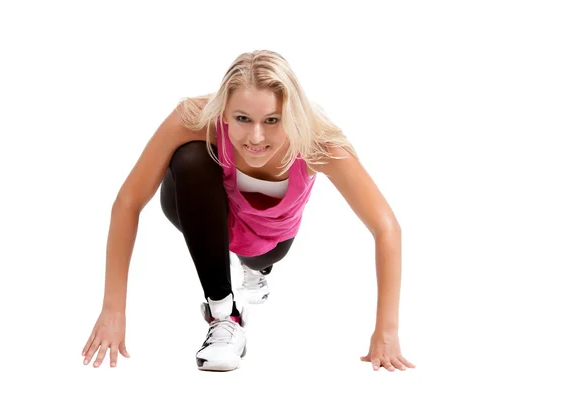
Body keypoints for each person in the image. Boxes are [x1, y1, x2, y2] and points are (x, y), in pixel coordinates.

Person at [81, 49, 416, 372]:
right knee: (191, 157)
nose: (257, 136)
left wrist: (386, 331)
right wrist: (113, 309)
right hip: (205, 215)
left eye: (272, 120)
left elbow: (386, 228)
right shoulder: (196, 119)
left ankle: (255, 272)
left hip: (268, 241)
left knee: (258, 259)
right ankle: (225, 317)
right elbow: (128, 201)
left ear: (292, 115)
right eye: (242, 119)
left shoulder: (317, 144)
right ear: (224, 111)